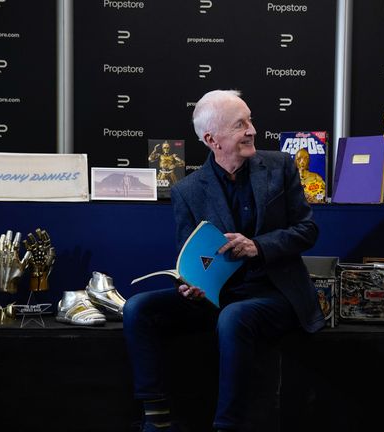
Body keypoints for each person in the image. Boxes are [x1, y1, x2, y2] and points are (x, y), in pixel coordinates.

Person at [123, 89, 324, 432]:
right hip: (218, 294)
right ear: (212, 139)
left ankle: (226, 425)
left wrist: (257, 246)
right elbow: (190, 256)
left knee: (233, 316)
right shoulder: (188, 190)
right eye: (241, 124)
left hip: (275, 293)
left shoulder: (280, 167)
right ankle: (155, 414)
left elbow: (307, 230)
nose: (252, 130)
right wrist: (190, 285)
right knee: (137, 308)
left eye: (250, 120)